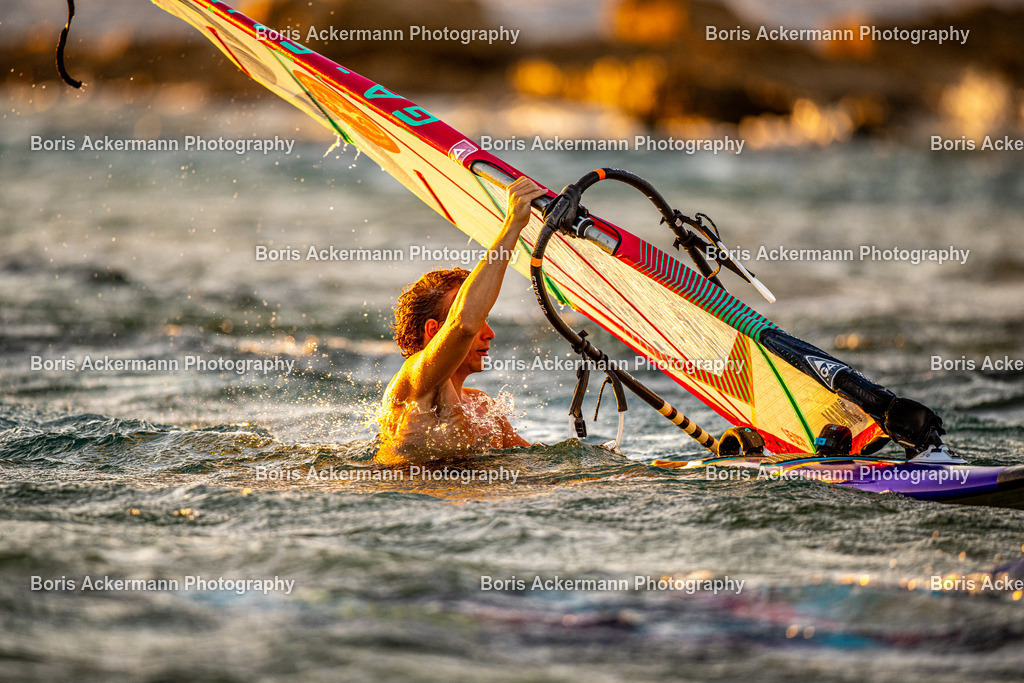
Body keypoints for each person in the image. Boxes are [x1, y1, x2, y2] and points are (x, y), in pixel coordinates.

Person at [375, 176, 546, 464]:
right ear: (434, 331)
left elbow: (541, 466)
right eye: (481, 319)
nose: (488, 333)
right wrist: (512, 224)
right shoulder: (415, 381)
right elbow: (464, 324)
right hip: (416, 502)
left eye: (485, 319)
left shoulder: (481, 406)